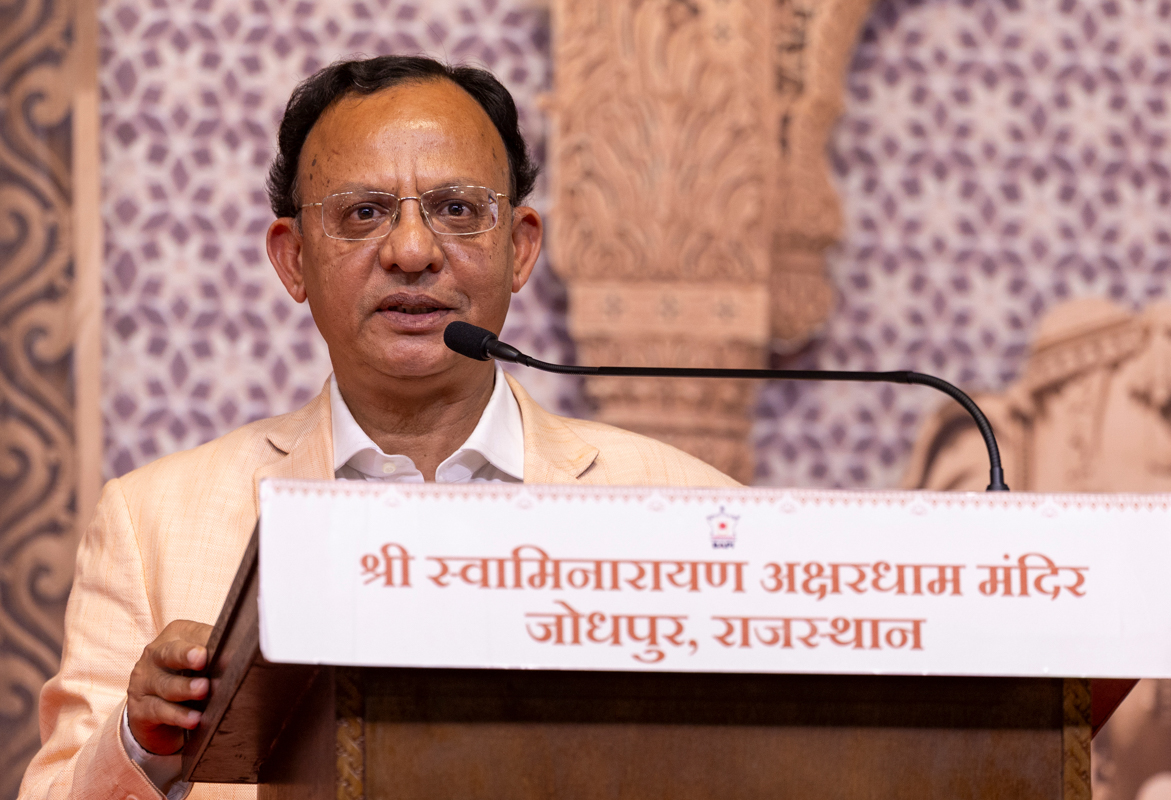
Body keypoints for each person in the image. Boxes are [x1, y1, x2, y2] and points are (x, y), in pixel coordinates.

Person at [19, 56, 737, 800]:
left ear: (519, 247)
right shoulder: (149, 524)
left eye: (458, 210)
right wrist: (144, 743)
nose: (413, 251)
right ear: (293, 260)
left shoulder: (687, 509)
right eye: (363, 213)